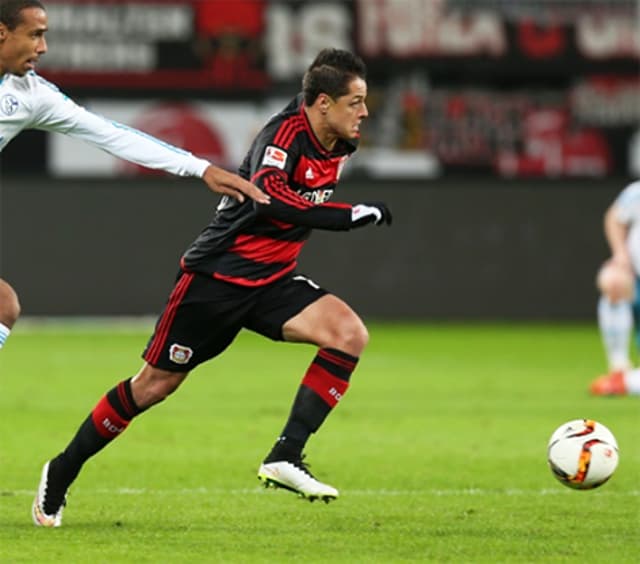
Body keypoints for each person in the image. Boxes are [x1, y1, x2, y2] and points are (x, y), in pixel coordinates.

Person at [31, 47, 392, 527]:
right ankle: (61, 471)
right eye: (355, 101)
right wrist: (346, 215)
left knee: (348, 334)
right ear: (322, 103)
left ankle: (285, 456)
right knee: (154, 386)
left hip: (272, 282)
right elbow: (269, 201)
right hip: (215, 279)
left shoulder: (341, 142)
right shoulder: (281, 136)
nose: (364, 112)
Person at [0, 0, 268, 350]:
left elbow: (113, 135)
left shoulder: (30, 95)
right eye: (35, 35)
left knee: (4, 306)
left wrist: (199, 167)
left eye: (44, 36)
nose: (43, 47)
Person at [590, 179, 640, 396]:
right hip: (636, 279)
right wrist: (621, 255)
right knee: (613, 279)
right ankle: (619, 367)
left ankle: (625, 383)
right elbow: (614, 217)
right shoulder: (638, 193)